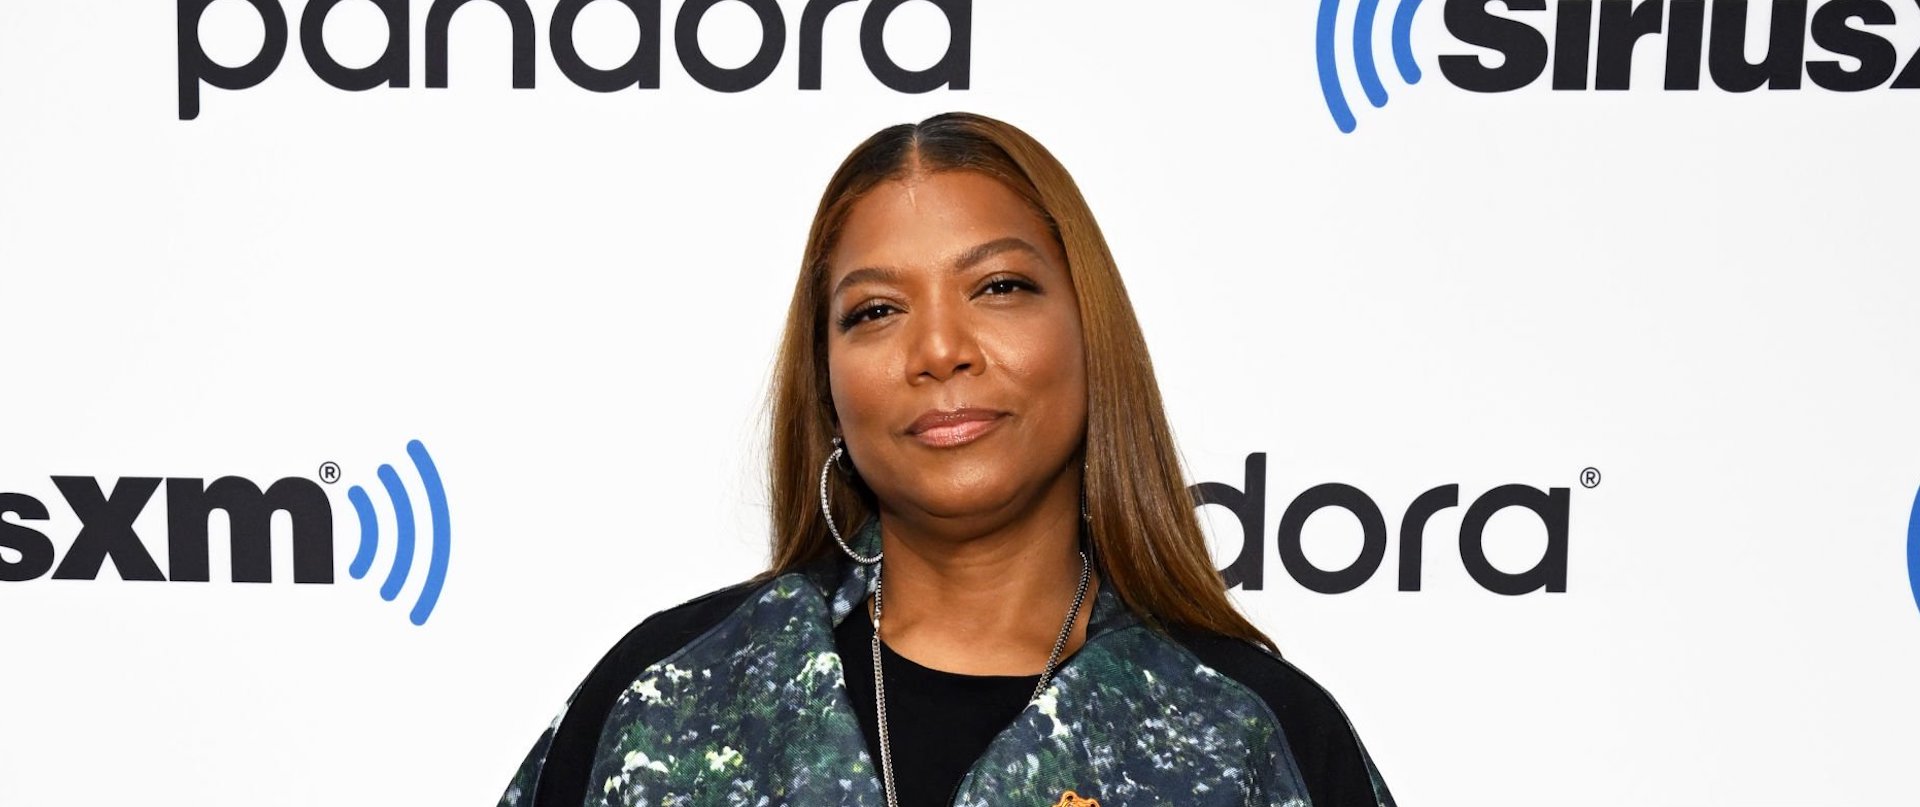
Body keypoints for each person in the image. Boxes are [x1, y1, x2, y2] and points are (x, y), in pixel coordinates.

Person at [497, 112, 1396, 807]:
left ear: (1091, 334)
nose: (938, 348)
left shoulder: (1246, 734)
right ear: (829, 383)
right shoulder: (673, 695)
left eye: (998, 287)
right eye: (875, 311)